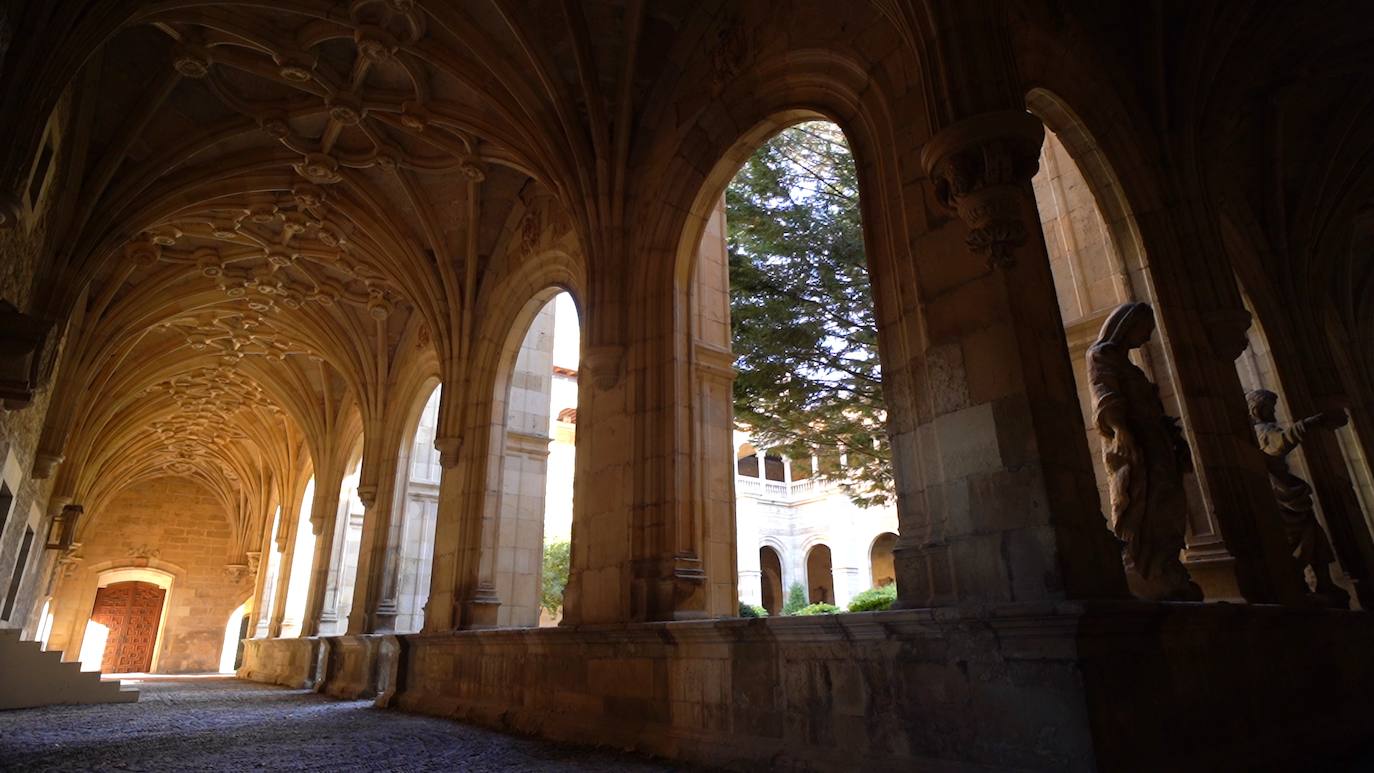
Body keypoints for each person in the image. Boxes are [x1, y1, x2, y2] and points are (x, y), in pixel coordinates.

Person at [1087, 302, 1202, 601]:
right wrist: (1120, 429)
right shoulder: (1101, 354)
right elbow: (1104, 393)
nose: (1147, 338)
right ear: (1127, 325)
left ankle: (1163, 563)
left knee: (1167, 500)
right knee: (1138, 500)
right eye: (1144, 330)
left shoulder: (1132, 368)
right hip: (1130, 444)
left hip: (1156, 442)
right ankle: (1142, 568)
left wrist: (1172, 438)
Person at [1246, 389, 1351, 608]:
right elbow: (1280, 444)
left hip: (1289, 492)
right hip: (1281, 495)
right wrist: (1310, 423)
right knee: (1297, 540)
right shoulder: (1263, 430)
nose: (1272, 412)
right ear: (1257, 409)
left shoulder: (1264, 429)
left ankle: (1323, 582)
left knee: (1316, 538)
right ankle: (1299, 582)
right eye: (1269, 408)